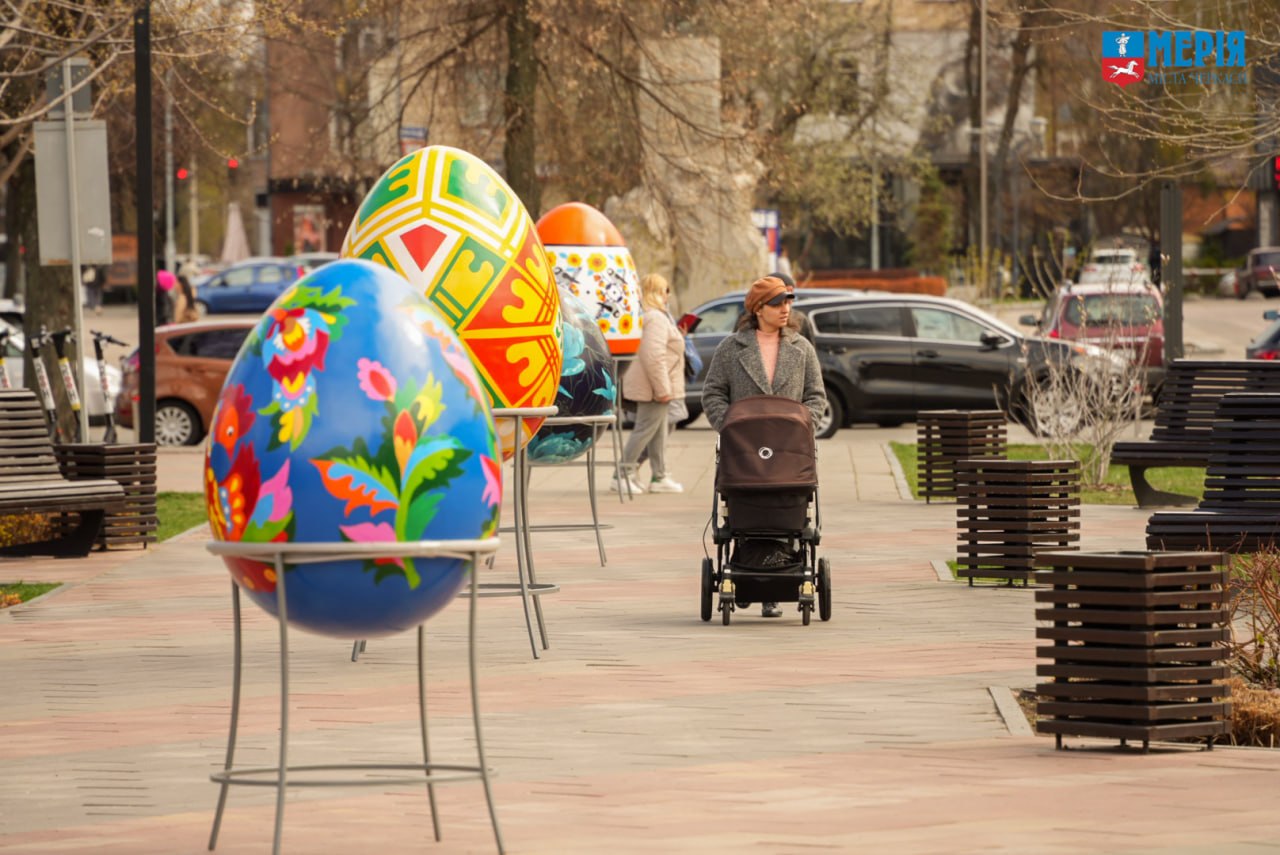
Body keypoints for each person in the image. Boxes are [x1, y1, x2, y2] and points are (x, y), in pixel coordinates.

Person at [702, 275, 826, 617]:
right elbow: (712, 392)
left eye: (788, 301)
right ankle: (743, 574)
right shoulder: (732, 348)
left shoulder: (801, 349)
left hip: (789, 453)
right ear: (758, 309)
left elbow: (816, 396)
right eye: (777, 303)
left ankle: (775, 587)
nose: (785, 308)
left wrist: (804, 427)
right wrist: (729, 426)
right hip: (745, 453)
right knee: (745, 511)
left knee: (785, 514)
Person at [617, 273, 685, 494]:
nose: (668, 295)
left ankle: (659, 476)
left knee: (658, 432)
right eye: (666, 290)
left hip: (653, 385)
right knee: (645, 430)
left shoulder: (650, 316)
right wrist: (663, 389)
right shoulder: (655, 317)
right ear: (658, 292)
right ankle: (622, 474)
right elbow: (654, 355)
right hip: (654, 386)